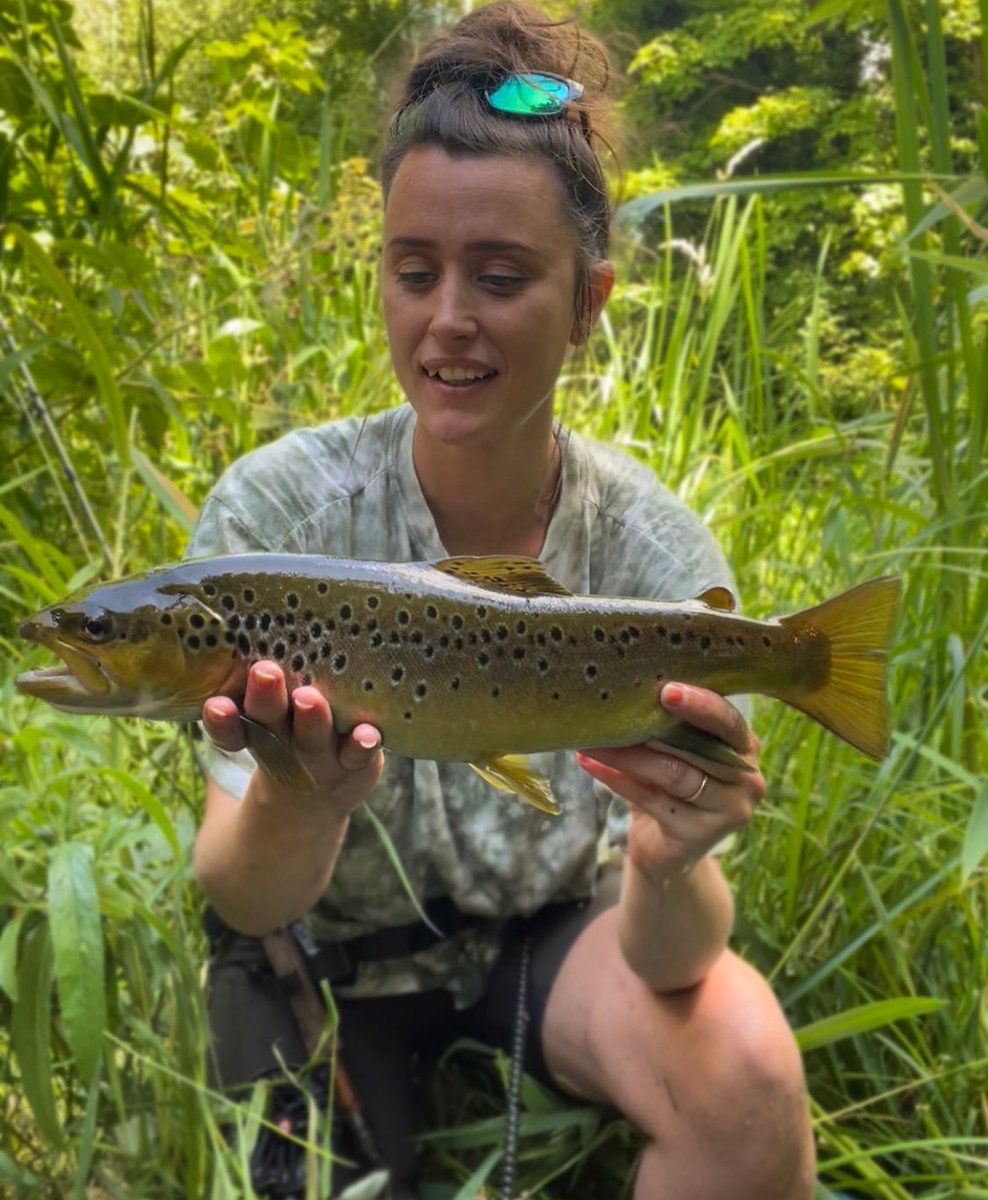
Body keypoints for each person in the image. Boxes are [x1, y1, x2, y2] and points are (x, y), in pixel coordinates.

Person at [187, 3, 816, 1197]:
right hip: (319, 953)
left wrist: (679, 852)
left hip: (554, 944)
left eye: (502, 274)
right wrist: (296, 795)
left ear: (589, 303)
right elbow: (242, 887)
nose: (448, 318)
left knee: (742, 1071)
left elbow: (671, 960)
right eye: (413, 270)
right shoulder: (273, 525)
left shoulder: (651, 560)